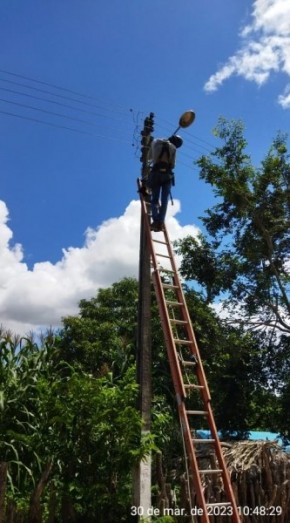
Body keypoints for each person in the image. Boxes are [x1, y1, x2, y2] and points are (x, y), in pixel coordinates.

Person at [148, 135, 183, 231]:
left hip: (155, 174)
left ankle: (155, 221)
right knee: (164, 201)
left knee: (154, 199)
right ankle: (160, 222)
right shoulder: (173, 148)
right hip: (167, 176)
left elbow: (149, 158)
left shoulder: (155, 142)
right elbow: (172, 165)